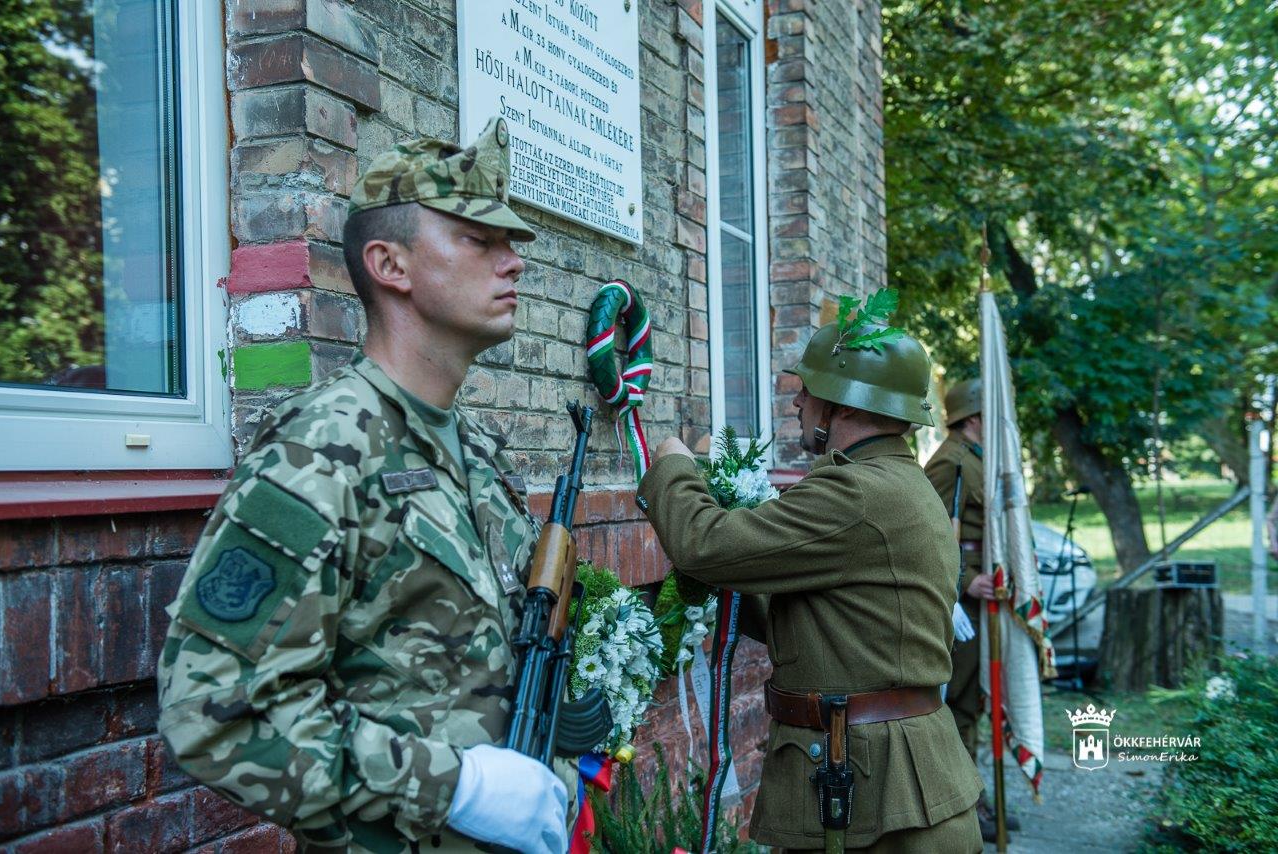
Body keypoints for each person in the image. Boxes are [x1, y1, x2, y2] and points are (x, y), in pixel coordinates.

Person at [157, 117, 575, 854]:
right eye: (480, 241)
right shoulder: (321, 448)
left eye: (510, 245)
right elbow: (215, 712)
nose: (513, 264)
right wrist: (456, 789)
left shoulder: (474, 446)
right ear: (390, 264)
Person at [637, 320, 983, 852]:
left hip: (879, 795)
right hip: (887, 782)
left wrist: (673, 468)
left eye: (808, 391)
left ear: (843, 404)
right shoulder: (892, 482)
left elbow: (701, 542)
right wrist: (727, 578)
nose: (797, 403)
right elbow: (820, 620)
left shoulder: (854, 492)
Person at [923, 378, 1019, 842]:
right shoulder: (951, 461)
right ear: (975, 418)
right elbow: (931, 534)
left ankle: (978, 794)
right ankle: (965, 806)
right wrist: (963, 582)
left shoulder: (978, 458)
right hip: (963, 600)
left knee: (977, 699)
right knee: (960, 700)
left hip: (987, 592)